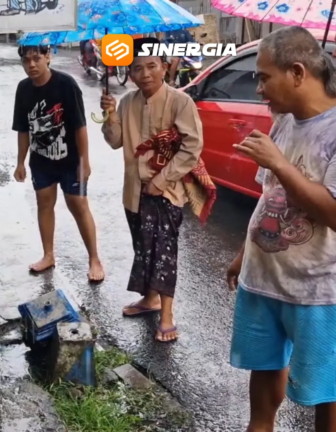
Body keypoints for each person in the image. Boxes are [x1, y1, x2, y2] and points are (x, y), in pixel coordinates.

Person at [227, 26, 336, 430]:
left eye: (263, 76)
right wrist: (244, 255)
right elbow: (268, 196)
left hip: (317, 291)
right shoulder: (285, 121)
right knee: (263, 378)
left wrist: (279, 162)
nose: (258, 88)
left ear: (297, 72)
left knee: (325, 391)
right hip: (262, 281)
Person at [100, 37, 204, 342]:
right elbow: (114, 140)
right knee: (143, 247)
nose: (144, 74)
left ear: (164, 68)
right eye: (137, 68)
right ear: (129, 73)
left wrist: (163, 180)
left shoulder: (180, 102)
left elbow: (192, 147)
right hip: (133, 191)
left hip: (167, 191)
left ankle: (167, 316)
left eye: (151, 66)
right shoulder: (127, 102)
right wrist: (109, 115)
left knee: (164, 252)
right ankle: (149, 299)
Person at [12, 45, 105, 282]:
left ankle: (94, 258)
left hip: (70, 159)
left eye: (36, 58)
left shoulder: (66, 84)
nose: (31, 65)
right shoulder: (23, 89)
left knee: (78, 204)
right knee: (44, 203)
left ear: (48, 57)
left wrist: (84, 162)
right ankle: (48, 254)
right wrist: (20, 162)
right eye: (26, 60)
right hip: (41, 160)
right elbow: (23, 130)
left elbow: (79, 127)